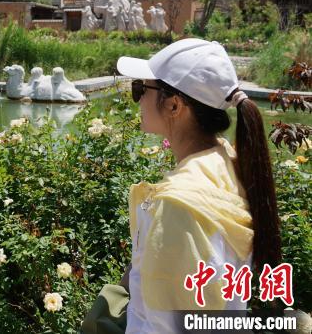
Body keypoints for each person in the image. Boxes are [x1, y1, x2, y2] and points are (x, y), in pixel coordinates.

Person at [82, 38, 281, 333]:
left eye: (141, 89)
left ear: (174, 105)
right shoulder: (225, 161)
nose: (137, 99)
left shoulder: (178, 205)